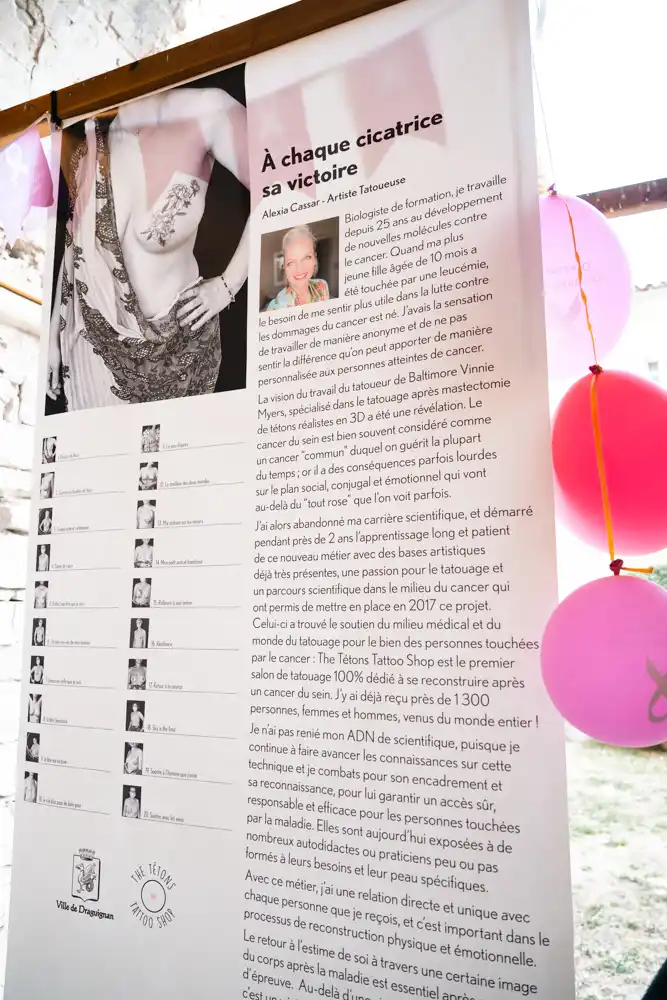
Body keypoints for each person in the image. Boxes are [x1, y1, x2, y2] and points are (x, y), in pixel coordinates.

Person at [46, 87, 250, 411]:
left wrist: (228, 285)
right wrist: (53, 334)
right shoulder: (98, 130)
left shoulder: (207, 111)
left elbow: (281, 183)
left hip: (177, 355)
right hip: (92, 350)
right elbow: (78, 242)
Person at [266, 226, 329, 309]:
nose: (299, 269)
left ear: (314, 258)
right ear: (284, 266)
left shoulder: (322, 285)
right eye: (291, 263)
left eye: (306, 257)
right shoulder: (276, 307)